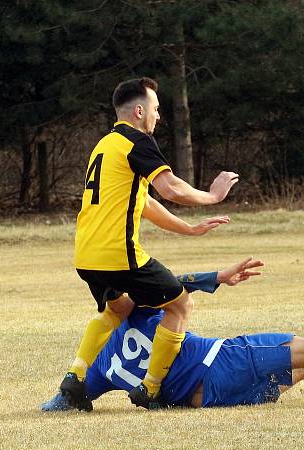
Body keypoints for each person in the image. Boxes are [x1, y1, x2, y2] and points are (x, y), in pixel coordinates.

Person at [42, 257, 304, 411]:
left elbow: (65, 400)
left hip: (209, 400)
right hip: (222, 362)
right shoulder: (144, 306)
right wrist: (218, 276)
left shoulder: (97, 368)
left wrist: (55, 402)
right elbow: (178, 284)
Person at [60, 76, 239, 412]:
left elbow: (144, 204)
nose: (158, 116)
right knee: (180, 305)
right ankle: (151, 389)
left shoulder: (105, 145)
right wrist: (213, 196)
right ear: (139, 110)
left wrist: (189, 229)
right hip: (119, 255)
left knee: (120, 309)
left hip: (86, 255)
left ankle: (75, 375)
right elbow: (169, 188)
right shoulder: (136, 142)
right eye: (156, 109)